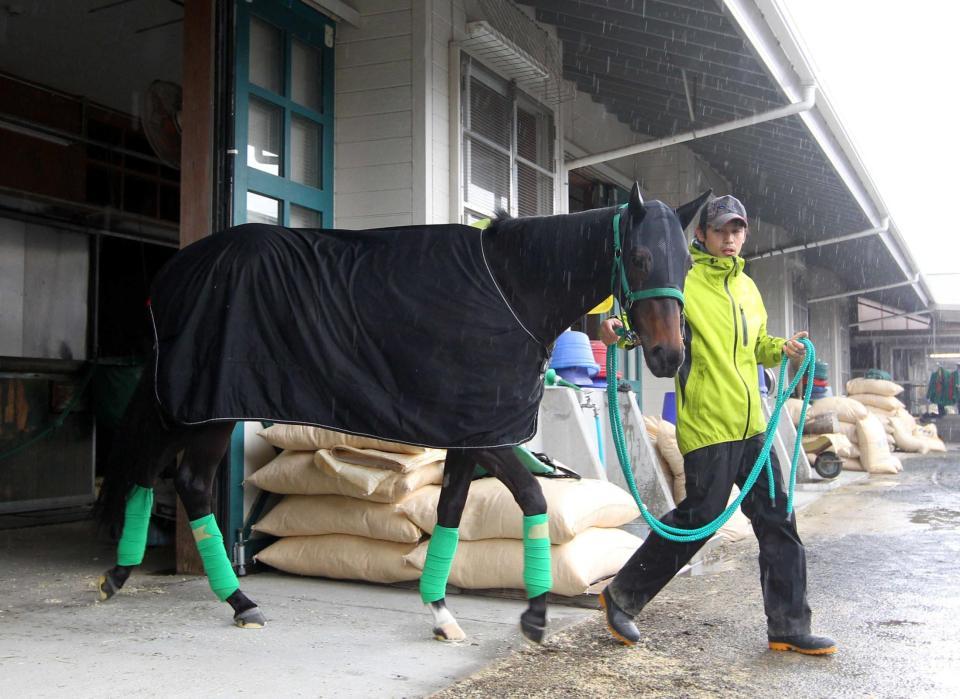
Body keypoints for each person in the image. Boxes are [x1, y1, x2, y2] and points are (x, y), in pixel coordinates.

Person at [597, 194, 837, 656]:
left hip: (753, 428)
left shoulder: (748, 288)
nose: (730, 239)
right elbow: (649, 324)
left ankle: (789, 625)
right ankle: (622, 596)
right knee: (698, 520)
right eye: (721, 231)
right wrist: (618, 333)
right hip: (709, 427)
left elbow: (756, 346)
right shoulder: (684, 282)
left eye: (737, 231)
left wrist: (782, 349)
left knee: (778, 520)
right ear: (701, 236)